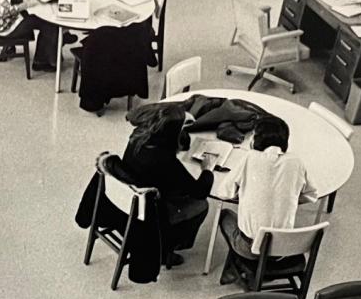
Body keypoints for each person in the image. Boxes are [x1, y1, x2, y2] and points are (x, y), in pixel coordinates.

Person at [217, 116, 318, 266]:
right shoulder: (296, 162)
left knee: (224, 215)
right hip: (283, 251)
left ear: (256, 140)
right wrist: (284, 196)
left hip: (250, 249)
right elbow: (312, 195)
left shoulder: (249, 157)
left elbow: (224, 192)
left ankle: (238, 265)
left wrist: (245, 193)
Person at [122, 104, 214, 268]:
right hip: (152, 211)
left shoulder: (137, 137)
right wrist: (207, 169)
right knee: (201, 205)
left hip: (129, 197)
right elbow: (200, 191)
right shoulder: (165, 160)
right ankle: (167, 248)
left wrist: (179, 118)